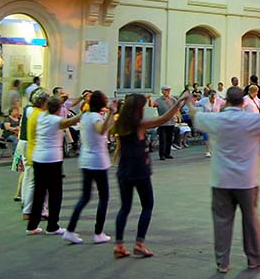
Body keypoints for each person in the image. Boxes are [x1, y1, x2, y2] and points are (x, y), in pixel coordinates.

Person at [187, 87, 260, 273]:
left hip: (221, 180)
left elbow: (195, 116)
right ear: (243, 102)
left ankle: (222, 262)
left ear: (225, 101)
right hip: (246, 180)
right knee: (251, 219)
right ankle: (254, 258)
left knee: (222, 221)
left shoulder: (216, 119)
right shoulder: (251, 119)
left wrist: (187, 101)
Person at [112, 91, 186, 258]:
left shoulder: (121, 123)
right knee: (147, 205)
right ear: (138, 108)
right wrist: (178, 104)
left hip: (123, 170)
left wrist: (111, 111)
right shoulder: (139, 124)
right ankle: (139, 243)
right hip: (139, 170)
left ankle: (119, 245)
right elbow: (161, 119)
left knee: (125, 207)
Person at [26, 94, 84, 236]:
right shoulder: (55, 120)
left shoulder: (41, 117)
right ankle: (52, 226)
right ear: (57, 109)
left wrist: (60, 101)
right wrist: (85, 111)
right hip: (52, 160)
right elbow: (71, 121)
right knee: (55, 193)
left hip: (38, 158)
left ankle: (32, 226)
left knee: (39, 193)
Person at [63, 90, 116, 245]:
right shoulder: (94, 117)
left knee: (85, 197)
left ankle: (70, 230)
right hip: (97, 161)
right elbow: (102, 130)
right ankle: (98, 233)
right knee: (104, 197)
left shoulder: (85, 115)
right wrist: (111, 113)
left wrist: (110, 115)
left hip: (86, 160)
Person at [20, 90, 49, 220]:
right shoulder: (37, 113)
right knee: (34, 180)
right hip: (33, 147)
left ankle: (27, 205)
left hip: (26, 144)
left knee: (29, 178)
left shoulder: (28, 109)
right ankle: (30, 210)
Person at [197, 89, 222, 157]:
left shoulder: (219, 100)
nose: (213, 98)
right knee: (207, 136)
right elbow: (196, 103)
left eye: (214, 96)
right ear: (209, 96)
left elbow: (226, 104)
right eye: (211, 96)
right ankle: (208, 151)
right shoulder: (204, 100)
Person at [154, 86, 176, 160]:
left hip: (171, 122)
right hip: (162, 122)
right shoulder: (159, 100)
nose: (168, 92)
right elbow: (152, 105)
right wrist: (148, 99)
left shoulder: (172, 99)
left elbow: (177, 107)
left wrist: (176, 114)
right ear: (162, 91)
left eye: (169, 90)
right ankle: (162, 155)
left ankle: (167, 153)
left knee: (169, 139)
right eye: (166, 90)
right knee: (163, 139)